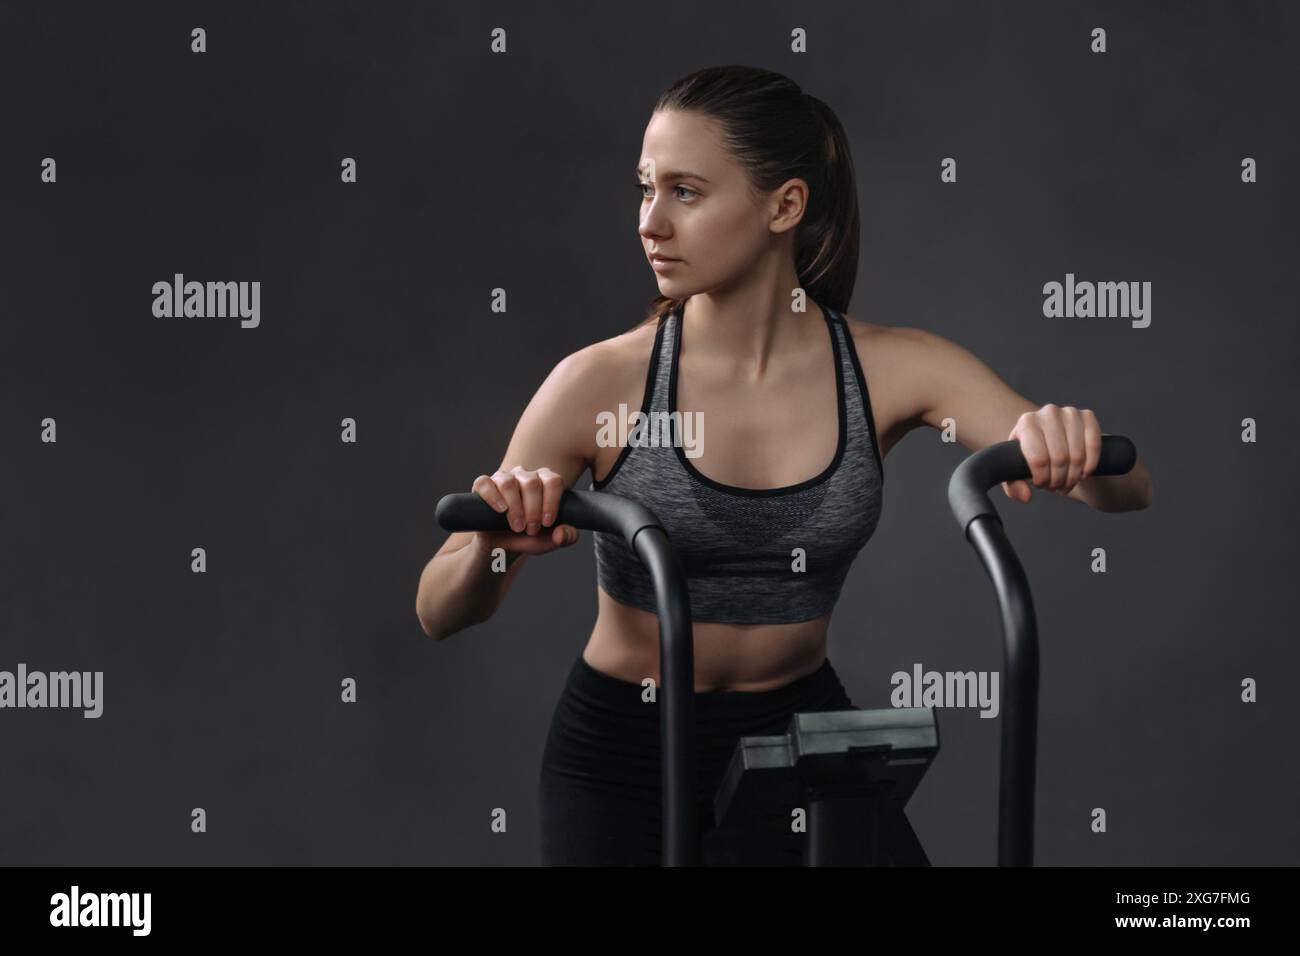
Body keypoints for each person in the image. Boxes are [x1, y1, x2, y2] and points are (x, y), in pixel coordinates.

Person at [415, 65, 1154, 866]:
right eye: (644, 188)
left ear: (786, 205)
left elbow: (1124, 489)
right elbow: (439, 608)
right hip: (622, 753)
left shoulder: (894, 369)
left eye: (686, 192)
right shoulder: (600, 381)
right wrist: (496, 548)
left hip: (799, 739)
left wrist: (1066, 443)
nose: (649, 223)